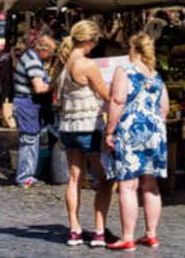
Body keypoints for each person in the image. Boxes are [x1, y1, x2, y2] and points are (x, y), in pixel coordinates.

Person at [105, 33, 169, 251]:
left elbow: (118, 100)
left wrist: (110, 130)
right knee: (150, 184)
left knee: (128, 184)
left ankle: (128, 237)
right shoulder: (156, 75)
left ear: (133, 49)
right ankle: (151, 235)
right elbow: (165, 108)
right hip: (155, 131)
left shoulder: (125, 71)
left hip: (131, 130)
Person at [54, 19, 115, 247]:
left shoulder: (62, 62)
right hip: (88, 126)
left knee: (74, 178)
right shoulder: (87, 65)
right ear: (89, 41)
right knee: (106, 178)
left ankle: (75, 229)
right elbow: (106, 94)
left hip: (68, 127)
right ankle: (99, 231)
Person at [13, 35, 56, 186]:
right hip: (27, 104)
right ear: (42, 49)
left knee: (31, 140)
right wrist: (55, 85)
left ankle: (29, 174)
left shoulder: (32, 57)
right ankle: (25, 177)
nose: (51, 55)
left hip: (28, 104)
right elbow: (39, 87)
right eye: (50, 52)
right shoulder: (33, 61)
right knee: (29, 140)